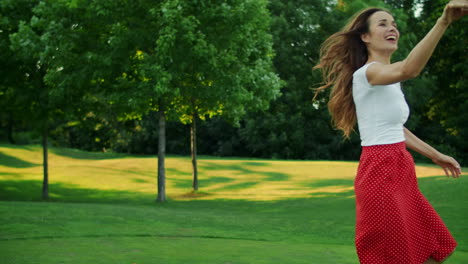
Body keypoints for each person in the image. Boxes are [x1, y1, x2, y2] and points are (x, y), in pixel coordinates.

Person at [314, 1, 467, 263]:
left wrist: (435, 154)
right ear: (365, 37)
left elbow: (395, 129)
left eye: (393, 24)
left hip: (399, 167)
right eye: (382, 24)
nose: (391, 27)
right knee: (392, 254)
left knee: (429, 250)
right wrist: (443, 22)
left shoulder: (387, 80)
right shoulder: (368, 73)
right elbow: (411, 69)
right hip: (380, 169)